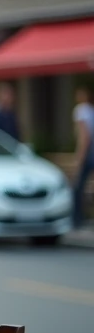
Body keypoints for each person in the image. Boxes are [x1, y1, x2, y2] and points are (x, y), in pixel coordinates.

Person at [73, 86, 94, 228]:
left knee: (77, 187)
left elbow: (84, 136)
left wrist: (79, 157)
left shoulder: (80, 111)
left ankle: (77, 219)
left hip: (88, 154)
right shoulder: (91, 110)